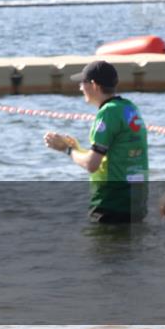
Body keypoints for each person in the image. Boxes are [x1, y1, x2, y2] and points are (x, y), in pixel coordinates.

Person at [44, 60, 149, 223]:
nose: (80, 88)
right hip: (136, 201)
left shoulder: (107, 113)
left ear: (94, 85)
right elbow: (113, 155)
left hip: (112, 204)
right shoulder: (129, 107)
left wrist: (67, 150)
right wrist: (78, 149)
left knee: (102, 247)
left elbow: (91, 164)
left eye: (82, 83)